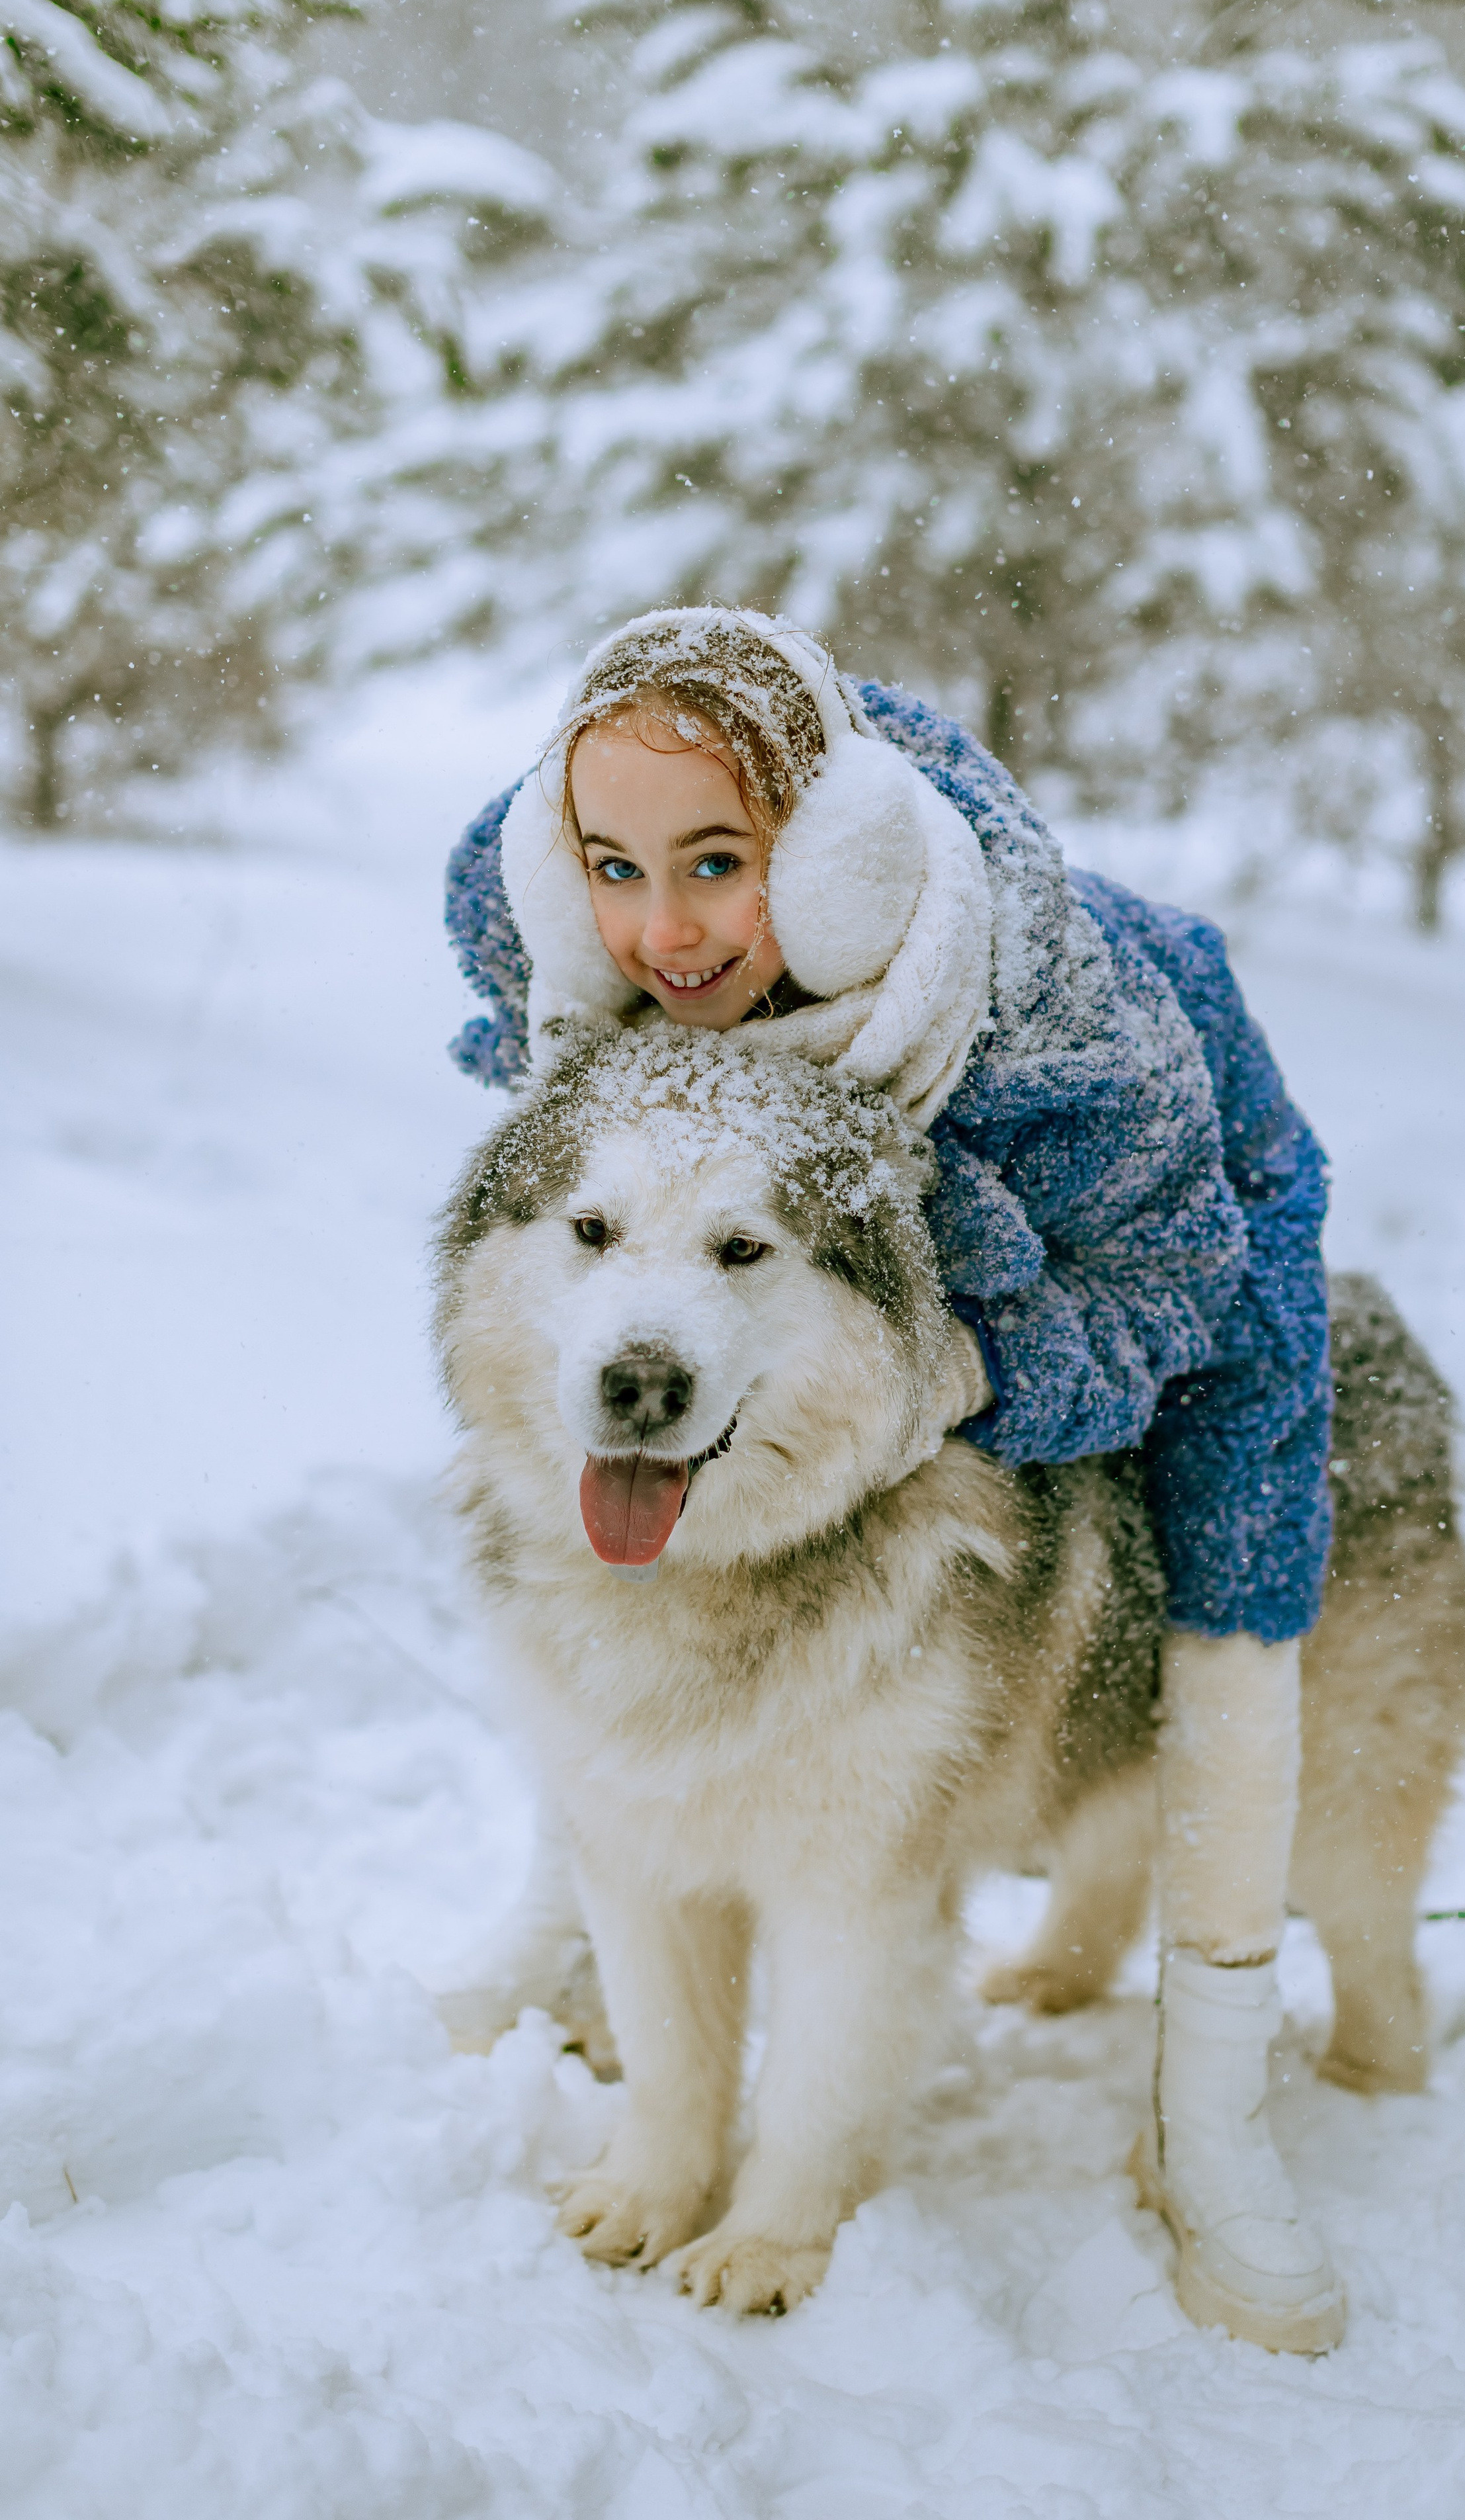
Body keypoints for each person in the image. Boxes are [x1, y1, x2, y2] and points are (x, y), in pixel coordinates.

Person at [443, 606, 1341, 2353]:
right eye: (617, 870)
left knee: (1240, 1573)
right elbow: (548, 1199)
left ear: (836, 858)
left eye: (720, 863)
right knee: (632, 1719)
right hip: (847, 1262)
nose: (665, 926)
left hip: (1178, 1232)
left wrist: (966, 1374)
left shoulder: (1071, 1027)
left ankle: (1217, 2110)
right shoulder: (568, 937)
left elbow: (1173, 1282)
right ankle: (603, 1946)